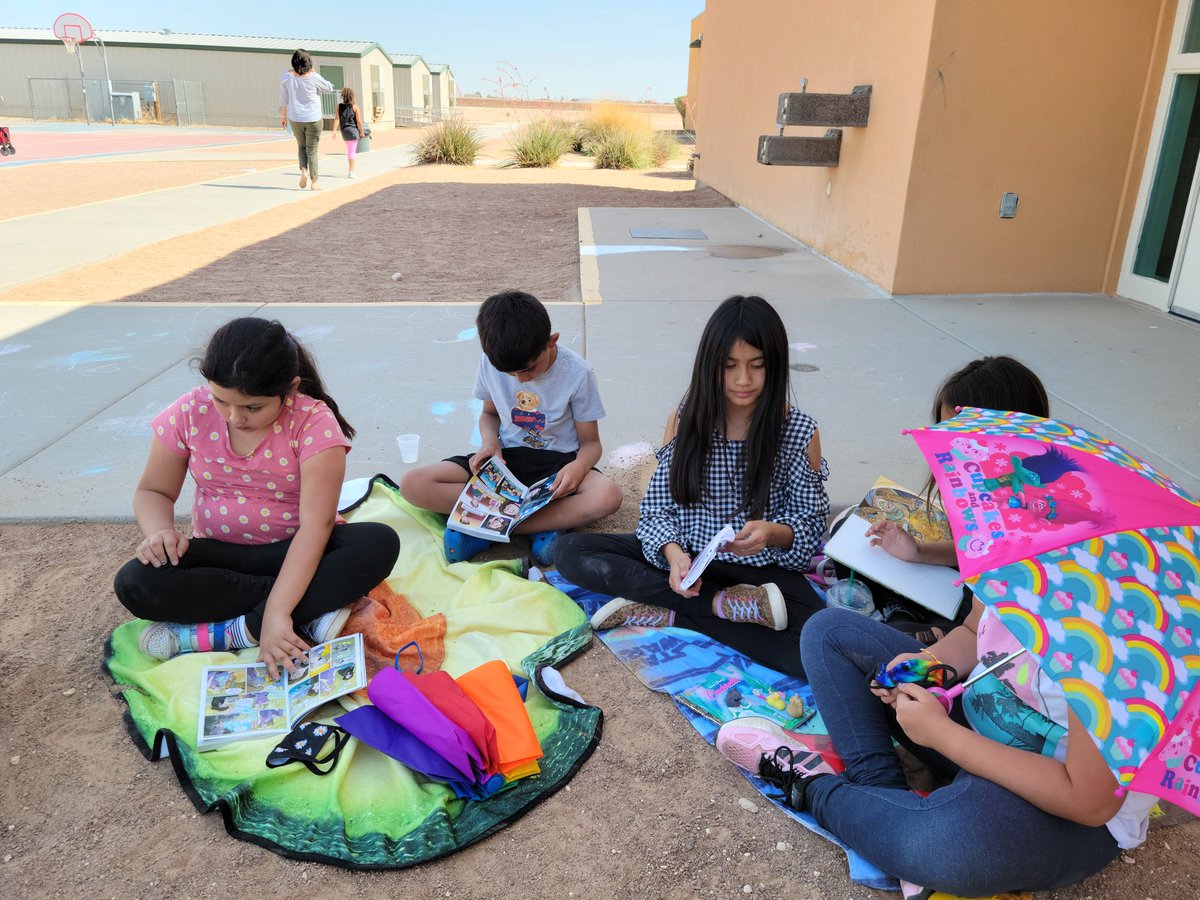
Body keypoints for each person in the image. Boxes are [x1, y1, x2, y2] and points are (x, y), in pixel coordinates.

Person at [715, 596, 1156, 895]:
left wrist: (943, 735)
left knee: (947, 847)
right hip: (978, 718)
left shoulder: (1120, 647)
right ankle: (886, 798)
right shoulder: (1016, 556)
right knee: (829, 631)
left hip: (1063, 804)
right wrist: (930, 666)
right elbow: (971, 629)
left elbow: (1089, 802)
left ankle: (815, 786)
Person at [554, 295, 830, 677]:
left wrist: (771, 532)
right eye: (729, 366)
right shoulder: (686, 419)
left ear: (777, 366)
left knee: (816, 652)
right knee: (568, 550)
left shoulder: (798, 431)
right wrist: (671, 553)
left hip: (760, 576)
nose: (743, 380)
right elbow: (655, 510)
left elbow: (809, 525)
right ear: (710, 365)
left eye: (757, 365)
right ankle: (718, 607)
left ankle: (669, 610)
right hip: (689, 563)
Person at [113, 317, 400, 679]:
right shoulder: (191, 411)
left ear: (291, 388)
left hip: (297, 552)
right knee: (135, 582)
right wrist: (159, 532)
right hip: (220, 556)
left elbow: (316, 527)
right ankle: (310, 610)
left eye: (253, 407)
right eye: (221, 401)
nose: (235, 418)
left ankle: (241, 630)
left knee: (377, 542)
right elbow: (153, 490)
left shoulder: (312, 422)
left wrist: (277, 613)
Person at [400, 290, 622, 566]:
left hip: (557, 467)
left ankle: (483, 526)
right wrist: (489, 442)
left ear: (552, 342)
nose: (520, 380)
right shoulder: (491, 363)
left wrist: (577, 469)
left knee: (607, 495)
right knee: (412, 484)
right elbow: (489, 414)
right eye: (510, 374)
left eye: (529, 369)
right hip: (505, 460)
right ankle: (539, 525)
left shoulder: (577, 373)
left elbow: (590, 444)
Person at [851, 356, 1051, 643]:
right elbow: (977, 546)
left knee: (836, 631)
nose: (948, 445)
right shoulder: (991, 488)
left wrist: (937, 641)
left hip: (982, 634)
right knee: (855, 539)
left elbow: (983, 632)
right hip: (960, 613)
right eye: (943, 431)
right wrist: (918, 552)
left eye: (957, 434)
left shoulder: (1032, 511)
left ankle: (900, 620)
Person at [279, 49, 336, 191]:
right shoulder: (313, 77)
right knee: (312, 150)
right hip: (313, 118)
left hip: (295, 118)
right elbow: (329, 88)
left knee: (301, 147)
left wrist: (283, 117)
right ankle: (314, 182)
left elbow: (284, 100)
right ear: (308, 62)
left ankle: (303, 171)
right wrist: (314, 73)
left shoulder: (287, 77)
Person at [335, 87, 364, 179]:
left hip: (344, 131)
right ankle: (351, 171)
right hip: (353, 131)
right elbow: (359, 122)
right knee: (351, 152)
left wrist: (334, 131)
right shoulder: (355, 107)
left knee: (350, 150)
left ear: (343, 96)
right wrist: (362, 132)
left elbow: (337, 119)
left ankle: (351, 170)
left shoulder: (339, 106)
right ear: (352, 96)